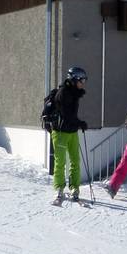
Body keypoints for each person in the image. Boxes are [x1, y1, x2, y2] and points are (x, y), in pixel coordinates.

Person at [52, 66, 88, 202]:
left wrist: (78, 124)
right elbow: (66, 114)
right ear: (74, 79)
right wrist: (80, 123)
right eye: (82, 80)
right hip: (60, 132)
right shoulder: (63, 93)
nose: (83, 83)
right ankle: (59, 188)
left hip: (72, 131)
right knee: (60, 161)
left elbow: (72, 115)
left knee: (75, 161)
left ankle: (74, 187)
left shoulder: (75, 93)